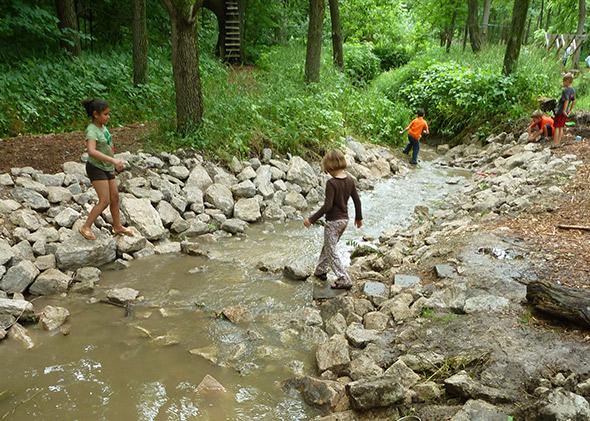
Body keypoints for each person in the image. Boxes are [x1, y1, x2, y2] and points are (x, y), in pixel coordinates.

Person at [304, 150, 362, 290]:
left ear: (329, 167)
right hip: (344, 221)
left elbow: (327, 206)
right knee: (328, 246)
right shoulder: (350, 180)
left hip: (333, 222)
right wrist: (359, 217)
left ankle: (344, 278)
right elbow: (357, 200)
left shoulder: (332, 183)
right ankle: (320, 271)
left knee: (331, 251)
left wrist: (311, 219)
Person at [79, 98, 134, 240]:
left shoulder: (103, 127)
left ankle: (117, 226)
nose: (108, 117)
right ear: (95, 114)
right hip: (96, 168)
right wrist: (113, 160)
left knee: (115, 198)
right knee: (104, 200)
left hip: (107, 167)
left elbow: (108, 146)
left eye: (108, 114)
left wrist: (115, 161)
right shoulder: (91, 130)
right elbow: (91, 151)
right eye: (105, 114)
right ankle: (85, 227)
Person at [553, 73, 576, 147]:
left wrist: (563, 110)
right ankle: (558, 143)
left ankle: (555, 143)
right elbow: (573, 101)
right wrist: (569, 110)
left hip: (560, 111)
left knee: (557, 127)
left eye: (564, 81)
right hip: (566, 111)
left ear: (567, 81)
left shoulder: (565, 90)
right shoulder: (573, 90)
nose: (563, 83)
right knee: (561, 127)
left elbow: (566, 100)